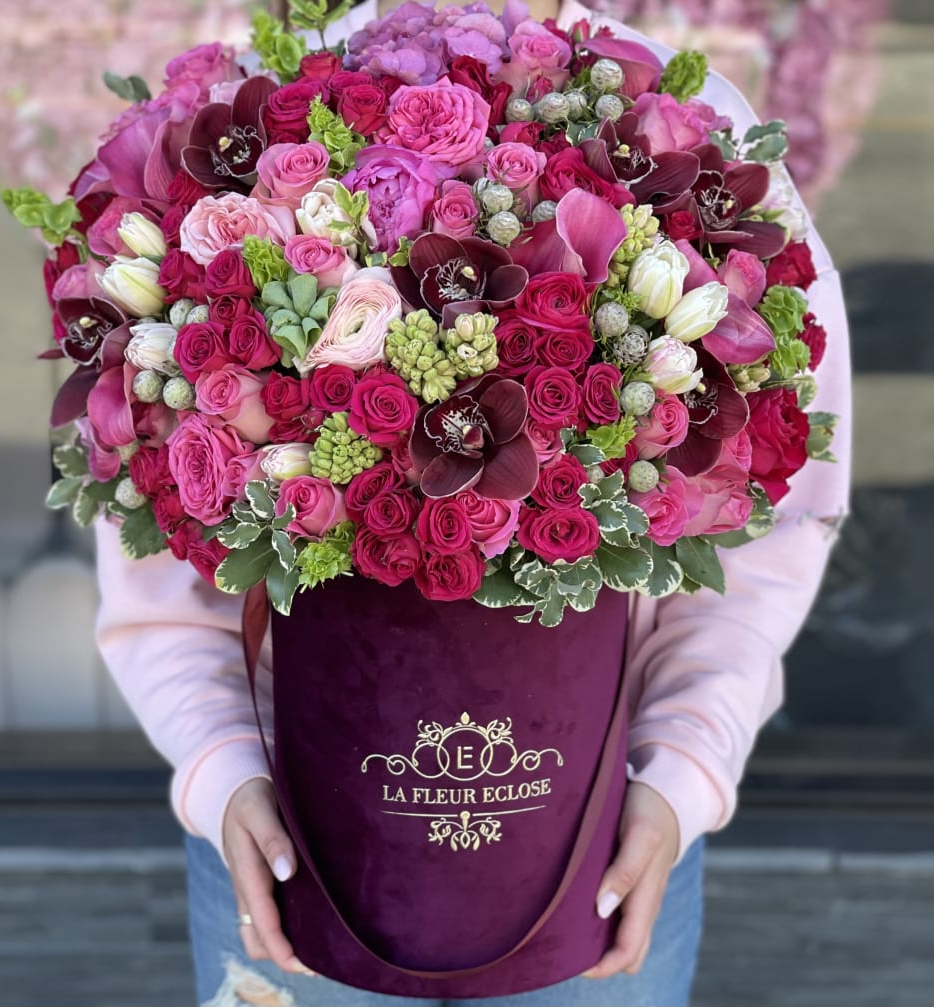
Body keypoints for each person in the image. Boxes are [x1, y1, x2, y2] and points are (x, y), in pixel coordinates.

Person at [94, 0, 853, 1003]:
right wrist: (217, 764)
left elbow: (767, 514)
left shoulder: (683, 124)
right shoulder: (246, 117)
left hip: (599, 839)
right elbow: (158, 502)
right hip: (290, 844)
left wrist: (679, 774)